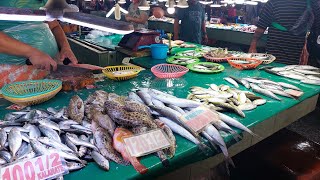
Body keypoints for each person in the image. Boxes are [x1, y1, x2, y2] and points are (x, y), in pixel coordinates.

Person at [0, 0, 77, 88]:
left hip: (50, 66)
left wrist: (65, 47)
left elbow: (54, 25)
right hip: (13, 71)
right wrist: (32, 53)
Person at [248, 0, 317, 65]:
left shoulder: (311, 3)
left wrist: (253, 45)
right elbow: (262, 25)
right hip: (284, 48)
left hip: (295, 50)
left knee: (275, 69)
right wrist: (253, 45)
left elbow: (261, 26)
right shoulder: (311, 3)